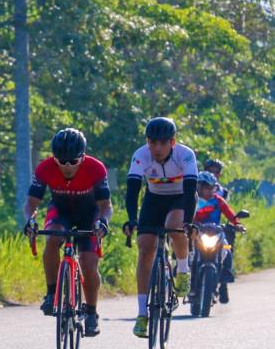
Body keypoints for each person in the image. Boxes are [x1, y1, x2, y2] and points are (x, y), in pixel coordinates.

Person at [22, 128, 111, 337]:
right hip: (60, 211)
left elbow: (106, 205)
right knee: (52, 238)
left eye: (73, 161)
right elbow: (31, 204)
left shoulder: (95, 168)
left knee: (89, 263)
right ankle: (52, 292)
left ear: (83, 156)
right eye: (61, 161)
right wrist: (30, 221)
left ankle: (91, 312)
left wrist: (103, 222)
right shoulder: (45, 167)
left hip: (89, 214)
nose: (67, 166)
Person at [123, 117, 198, 338]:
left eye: (162, 143)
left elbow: (190, 190)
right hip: (153, 200)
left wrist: (189, 221)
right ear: (147, 141)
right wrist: (131, 218)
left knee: (174, 226)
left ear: (172, 142)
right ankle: (142, 313)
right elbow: (132, 191)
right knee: (145, 248)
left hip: (180, 198)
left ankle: (183, 269)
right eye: (152, 142)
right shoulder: (141, 155)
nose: (156, 148)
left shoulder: (186, 155)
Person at [193, 171, 245, 303]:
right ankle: (192, 286)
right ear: (199, 187)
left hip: (217, 234)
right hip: (198, 234)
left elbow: (230, 214)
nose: (210, 191)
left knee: (228, 249)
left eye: (212, 187)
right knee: (192, 255)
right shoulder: (193, 200)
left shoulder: (218, 200)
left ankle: (225, 278)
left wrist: (237, 224)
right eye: (207, 187)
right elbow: (186, 214)